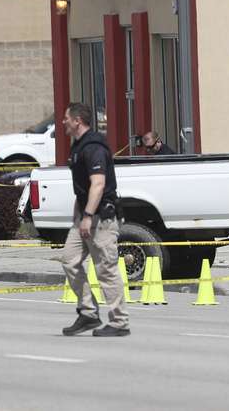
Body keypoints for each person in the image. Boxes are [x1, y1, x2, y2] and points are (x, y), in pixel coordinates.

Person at [59, 102, 129, 337]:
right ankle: (88, 313)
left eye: (66, 118)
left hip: (101, 219)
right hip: (84, 216)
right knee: (69, 259)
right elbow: (82, 188)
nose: (63, 122)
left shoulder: (94, 147)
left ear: (77, 121)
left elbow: (98, 184)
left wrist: (88, 216)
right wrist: (78, 216)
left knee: (106, 270)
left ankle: (119, 323)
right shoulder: (78, 146)